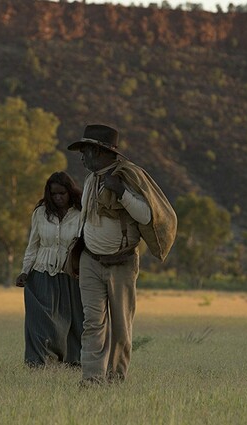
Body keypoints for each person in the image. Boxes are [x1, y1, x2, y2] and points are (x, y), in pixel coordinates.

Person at [67, 124, 177, 385]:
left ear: (99, 151)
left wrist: (122, 192)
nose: (82, 157)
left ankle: (116, 379)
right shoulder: (91, 179)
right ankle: (91, 379)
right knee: (93, 322)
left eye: (86, 151)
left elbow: (147, 215)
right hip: (91, 260)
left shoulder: (127, 176)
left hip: (122, 263)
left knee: (120, 327)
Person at [15, 171, 85, 367]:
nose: (58, 198)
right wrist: (24, 271)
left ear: (70, 192)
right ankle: (39, 362)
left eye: (62, 193)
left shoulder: (81, 212)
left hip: (71, 274)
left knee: (74, 320)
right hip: (41, 272)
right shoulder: (40, 212)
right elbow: (33, 245)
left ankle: (74, 361)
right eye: (54, 194)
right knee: (39, 321)